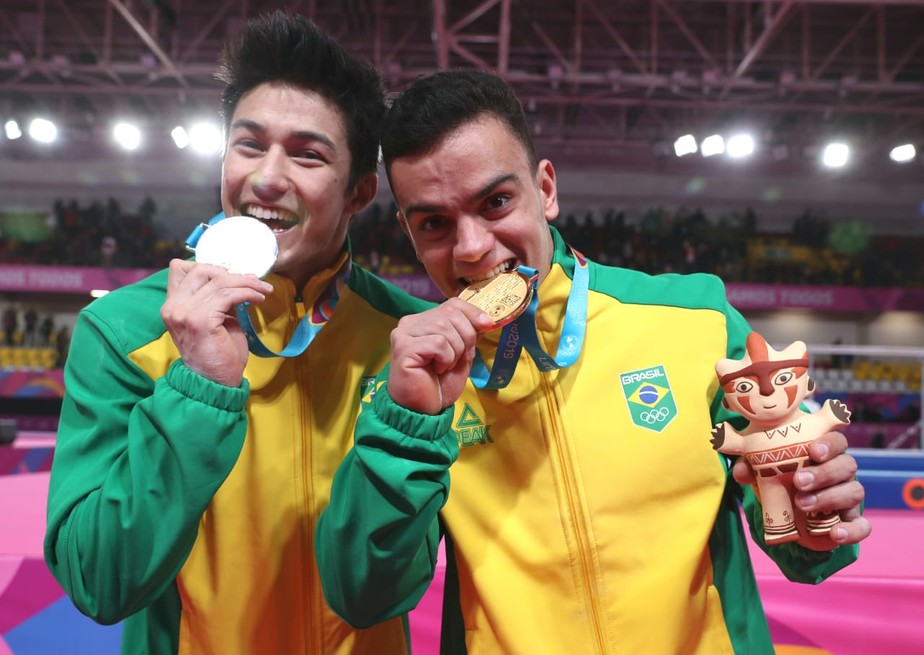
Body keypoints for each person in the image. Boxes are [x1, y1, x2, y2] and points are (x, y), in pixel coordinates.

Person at [316, 69, 871, 654]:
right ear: (407, 231)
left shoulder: (694, 318)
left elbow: (803, 534)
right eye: (435, 224)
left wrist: (818, 515)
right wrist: (408, 427)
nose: (472, 246)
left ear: (546, 189)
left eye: (496, 202)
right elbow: (363, 596)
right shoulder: (410, 388)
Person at [43, 12, 430, 655]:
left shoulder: (403, 340)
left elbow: (383, 590)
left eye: (307, 154)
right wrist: (197, 389)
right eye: (249, 144)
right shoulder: (124, 330)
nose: (267, 177)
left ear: (360, 191)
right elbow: (98, 581)